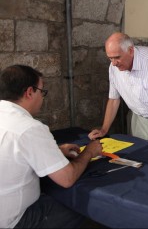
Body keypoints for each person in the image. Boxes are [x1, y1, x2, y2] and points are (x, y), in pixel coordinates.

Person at [0, 64, 103, 228]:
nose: (42, 97)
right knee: (83, 205)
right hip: (15, 220)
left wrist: (57, 151)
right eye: (42, 92)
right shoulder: (30, 128)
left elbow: (13, 154)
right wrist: (89, 152)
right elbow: (67, 179)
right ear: (29, 92)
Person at [88, 33, 148, 149]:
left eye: (117, 57)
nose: (113, 63)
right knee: (139, 161)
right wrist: (104, 129)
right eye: (110, 58)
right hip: (137, 122)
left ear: (131, 51)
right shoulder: (113, 67)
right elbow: (113, 99)